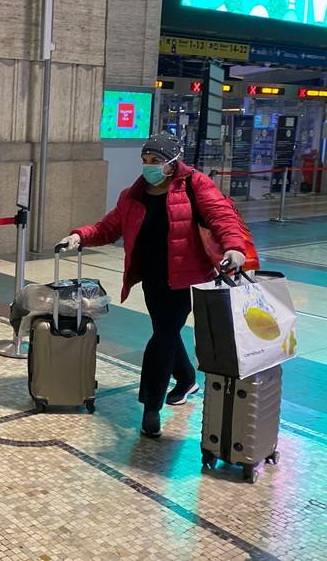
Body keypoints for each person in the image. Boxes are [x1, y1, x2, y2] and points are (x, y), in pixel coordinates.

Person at [59, 133, 247, 439]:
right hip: (152, 277)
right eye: (145, 161)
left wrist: (234, 246)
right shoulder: (134, 195)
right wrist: (80, 235)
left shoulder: (195, 185)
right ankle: (186, 379)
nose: (149, 167)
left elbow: (221, 215)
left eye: (156, 161)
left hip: (185, 277)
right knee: (166, 331)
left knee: (162, 337)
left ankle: (151, 407)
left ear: (172, 163)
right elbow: (109, 227)